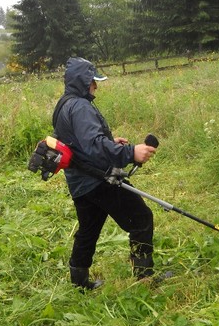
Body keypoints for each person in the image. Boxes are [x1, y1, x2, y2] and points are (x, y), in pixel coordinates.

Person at [52, 57, 157, 290]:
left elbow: (80, 143)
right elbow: (94, 145)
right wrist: (131, 152)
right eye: (92, 81)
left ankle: (78, 283)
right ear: (83, 81)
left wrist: (111, 141)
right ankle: (144, 277)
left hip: (80, 183)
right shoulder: (80, 106)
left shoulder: (64, 104)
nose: (96, 86)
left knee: (88, 230)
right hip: (99, 181)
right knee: (141, 218)